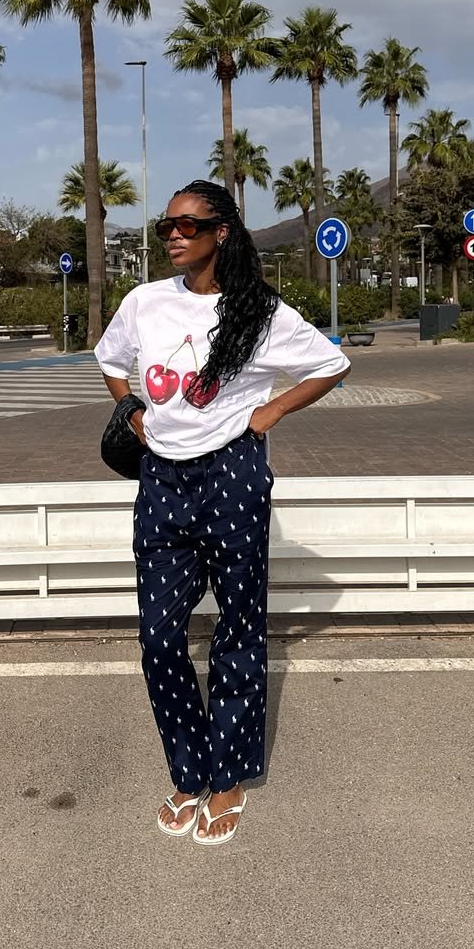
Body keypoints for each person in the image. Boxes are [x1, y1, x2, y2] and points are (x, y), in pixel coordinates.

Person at [95, 180, 350, 846]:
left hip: (233, 474)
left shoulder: (258, 312)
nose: (175, 234)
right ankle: (189, 771)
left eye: (189, 225)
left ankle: (229, 775)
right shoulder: (145, 302)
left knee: (238, 629)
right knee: (158, 635)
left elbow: (331, 364)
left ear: (222, 233)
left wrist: (268, 413)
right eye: (166, 226)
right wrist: (131, 410)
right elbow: (110, 360)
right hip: (163, 480)